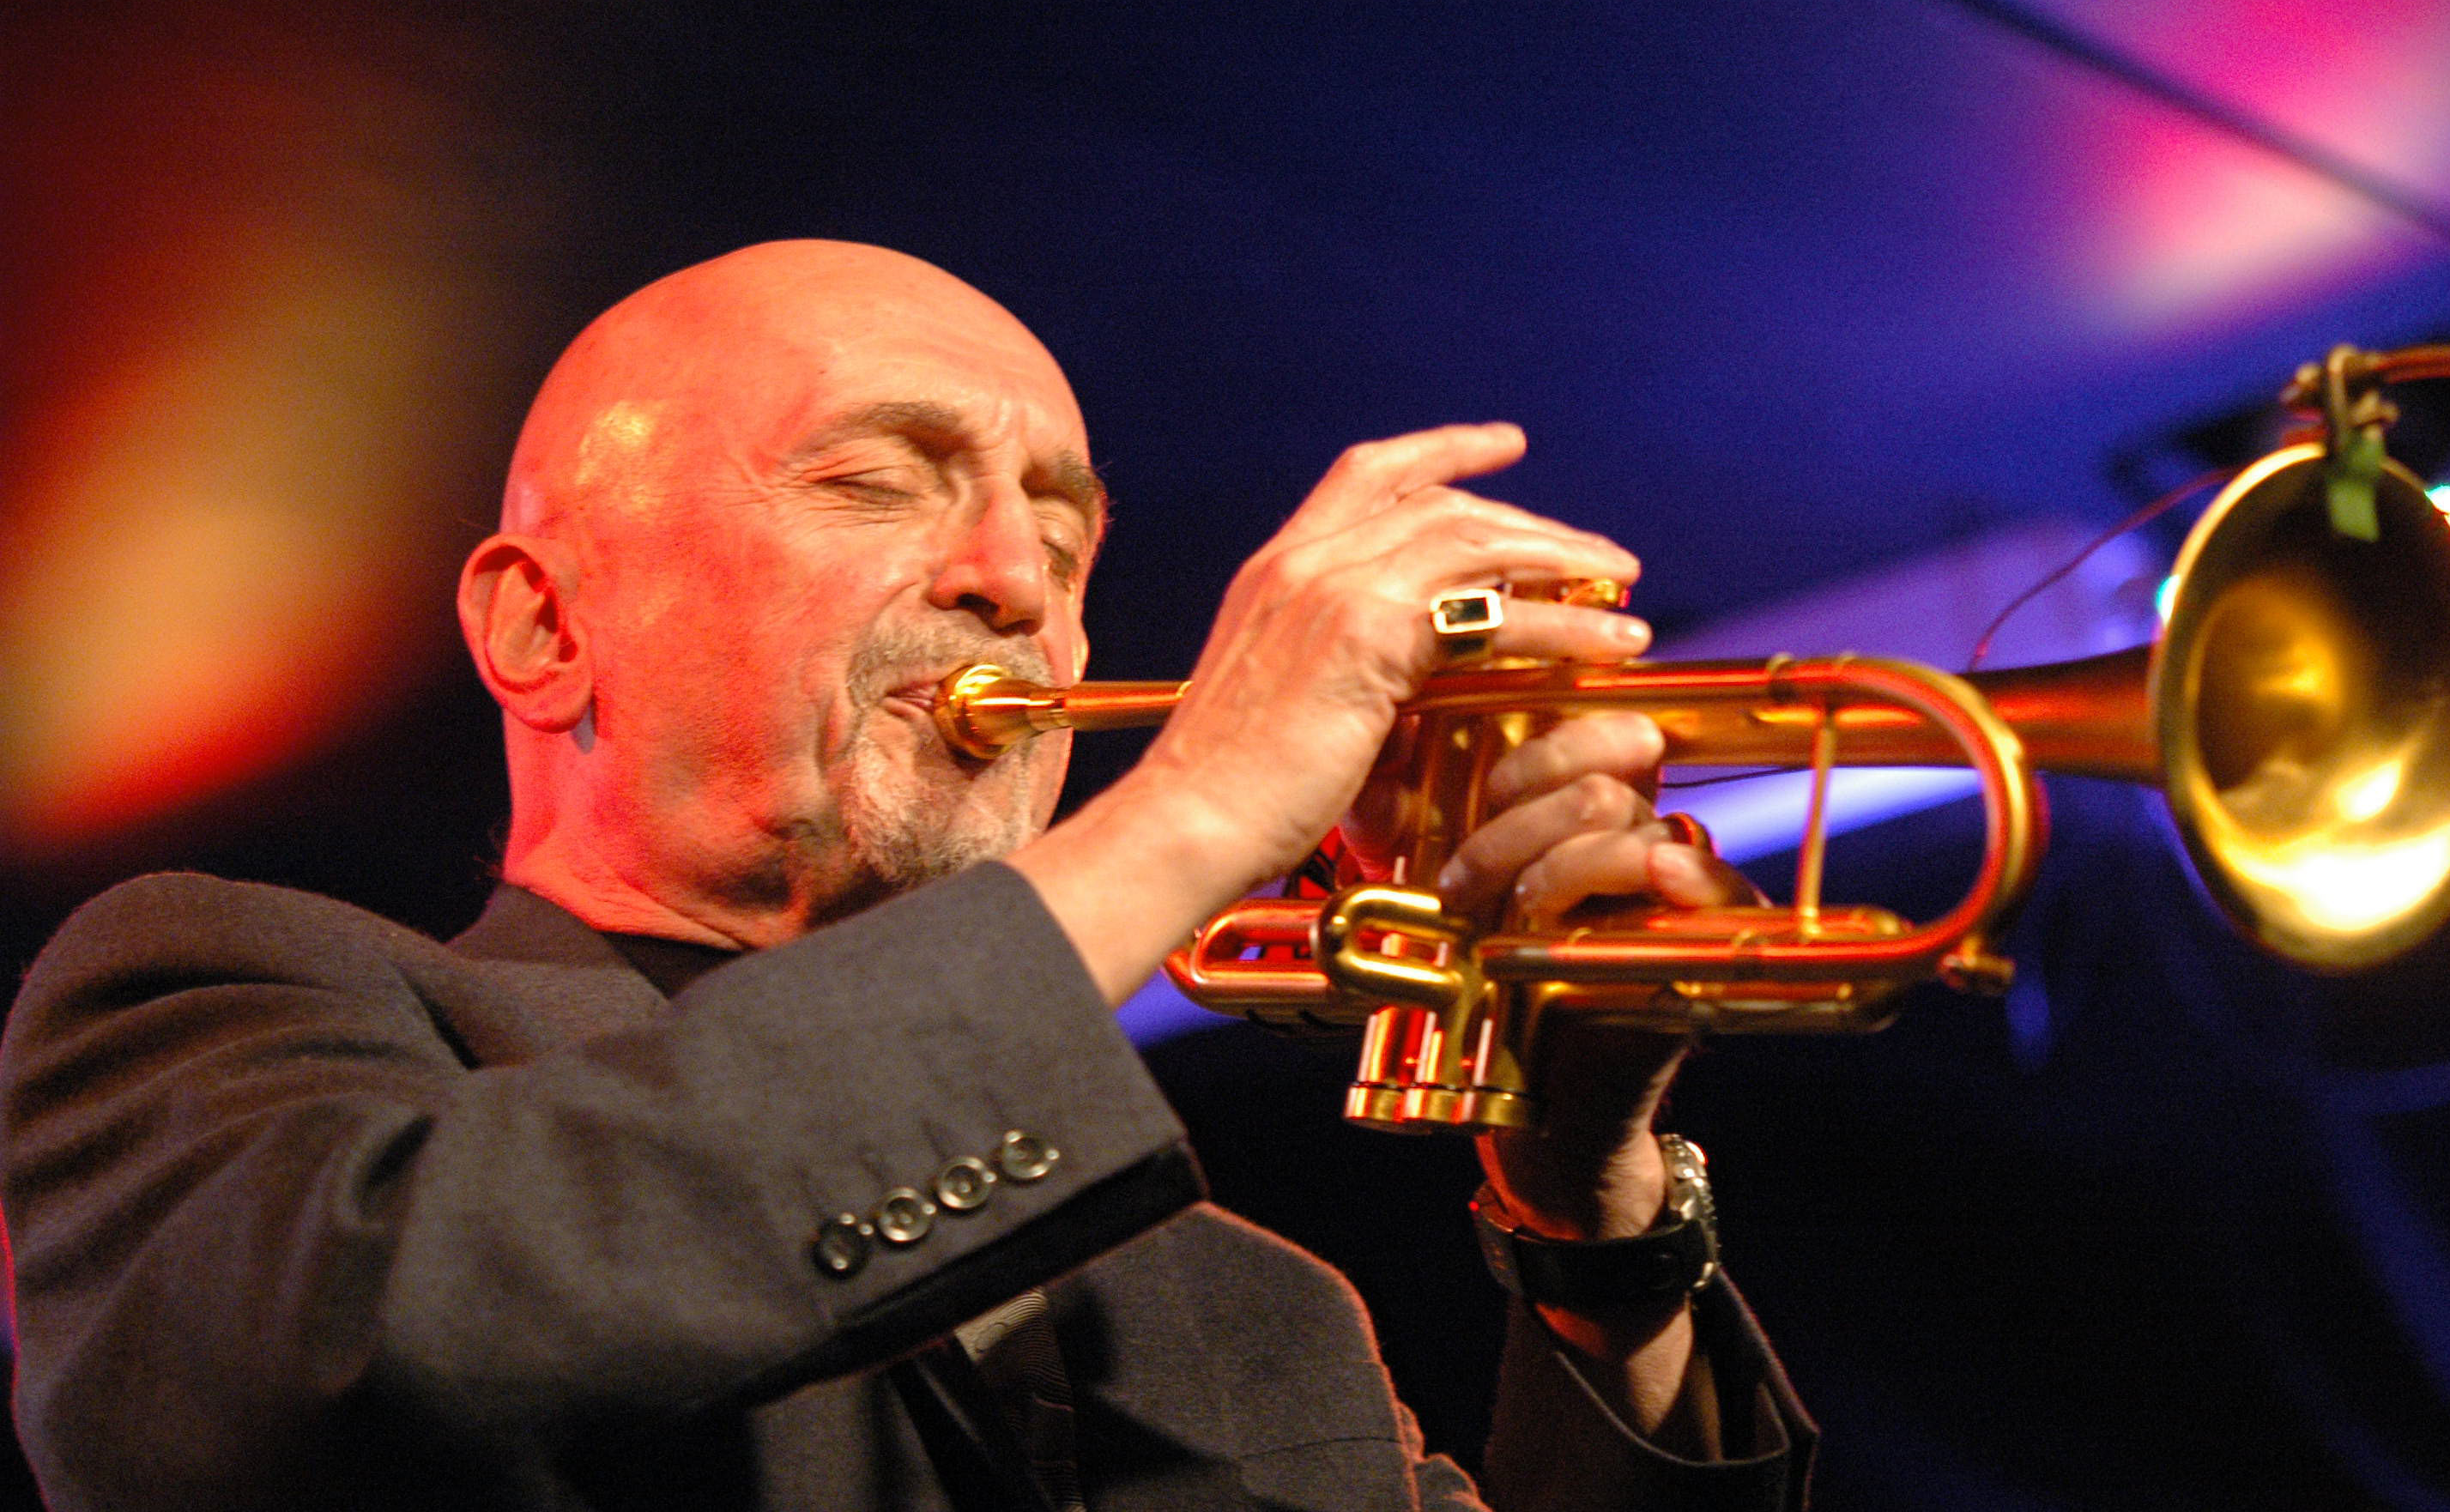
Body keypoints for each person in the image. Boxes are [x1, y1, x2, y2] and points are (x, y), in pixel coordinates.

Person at [0, 241, 1814, 1510]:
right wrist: (1200, 808)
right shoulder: (227, 986)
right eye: (880, 479)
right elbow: (324, 1382)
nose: (1013, 578)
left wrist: (1599, 1226)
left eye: (1061, 524)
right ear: (541, 629)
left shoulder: (1254, 1313)